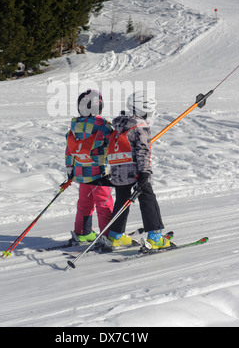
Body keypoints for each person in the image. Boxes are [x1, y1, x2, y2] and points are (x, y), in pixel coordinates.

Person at [107, 90, 170, 249]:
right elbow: (142, 151)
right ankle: (155, 237)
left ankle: (115, 235)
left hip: (118, 172)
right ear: (145, 108)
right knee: (148, 199)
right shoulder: (141, 127)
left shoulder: (120, 124)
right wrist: (144, 173)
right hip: (135, 171)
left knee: (122, 200)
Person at [65, 89, 114, 242]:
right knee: (104, 204)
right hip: (99, 174)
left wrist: (70, 169)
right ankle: (108, 235)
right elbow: (112, 145)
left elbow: (69, 150)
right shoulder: (104, 126)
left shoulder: (74, 127)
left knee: (84, 203)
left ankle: (82, 232)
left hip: (81, 172)